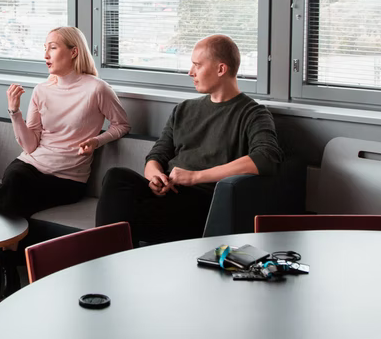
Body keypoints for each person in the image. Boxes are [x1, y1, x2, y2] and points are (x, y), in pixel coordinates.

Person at [0, 27, 131, 314]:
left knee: (2, 194)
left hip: (67, 178)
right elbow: (29, 146)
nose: (45, 54)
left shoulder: (96, 89)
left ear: (74, 51)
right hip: (31, 166)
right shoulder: (42, 90)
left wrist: (96, 140)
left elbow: (122, 125)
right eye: (45, 47)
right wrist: (14, 111)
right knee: (13, 183)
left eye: (52, 47)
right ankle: (6, 276)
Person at [95, 35, 283, 245]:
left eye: (197, 65)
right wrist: (155, 176)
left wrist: (194, 177)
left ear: (221, 69)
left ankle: (103, 257)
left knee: (120, 222)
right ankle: (107, 253)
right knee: (116, 177)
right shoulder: (184, 109)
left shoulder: (253, 113)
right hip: (166, 194)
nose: (190, 72)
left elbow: (266, 158)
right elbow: (157, 155)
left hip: (202, 202)